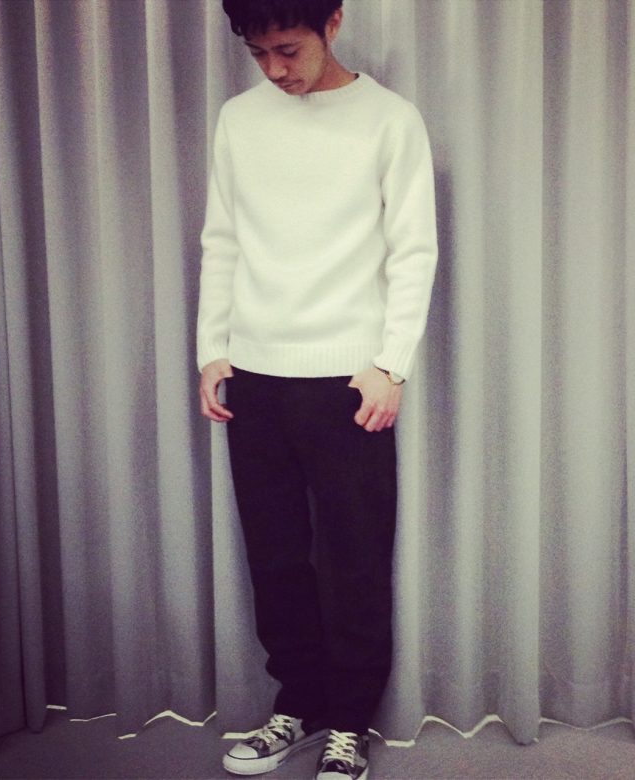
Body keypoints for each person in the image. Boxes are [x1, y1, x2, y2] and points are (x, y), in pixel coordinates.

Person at [196, 1, 437, 777]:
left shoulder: (390, 120)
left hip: (348, 382)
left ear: (333, 22)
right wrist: (212, 350)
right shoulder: (239, 120)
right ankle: (296, 705)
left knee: (355, 561)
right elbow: (222, 239)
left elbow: (413, 250)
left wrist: (391, 364)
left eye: (288, 49)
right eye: (258, 53)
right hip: (253, 377)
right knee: (275, 559)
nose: (275, 69)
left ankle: (350, 724)